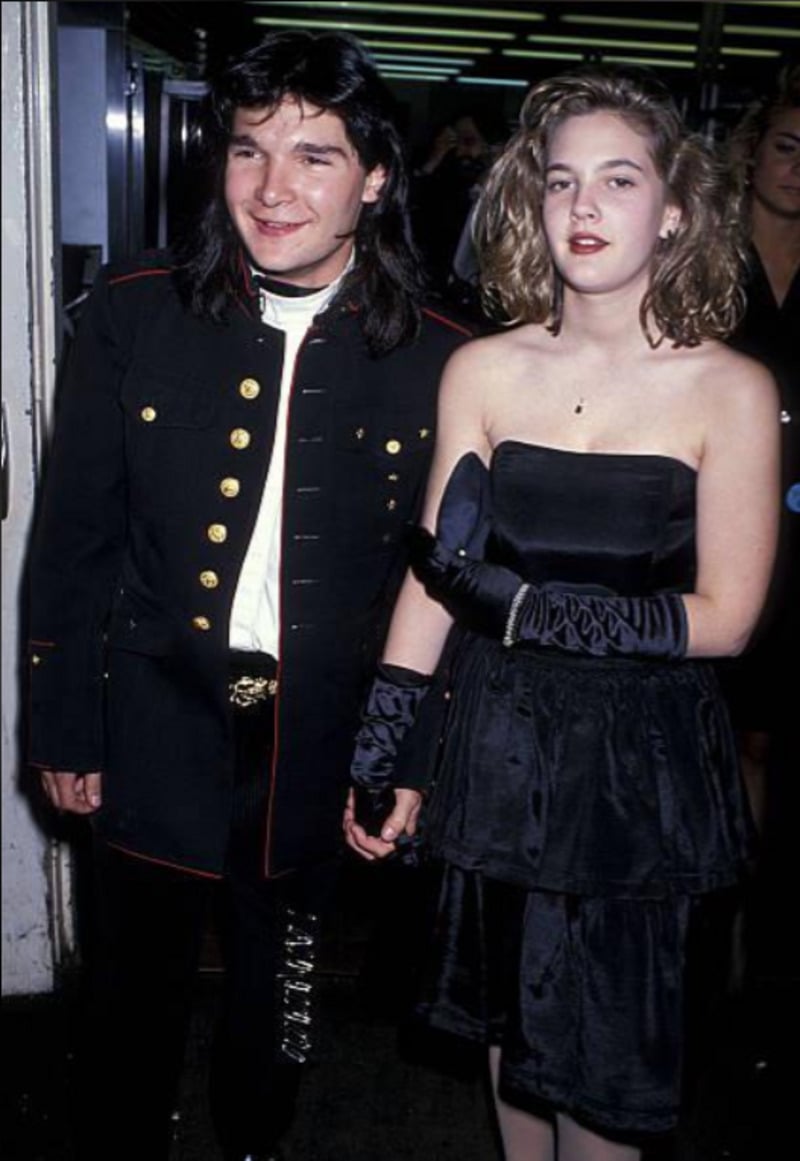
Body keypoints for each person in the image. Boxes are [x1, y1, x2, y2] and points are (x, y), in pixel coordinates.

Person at [26, 29, 469, 1161]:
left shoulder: (441, 355)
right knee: (128, 993)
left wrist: (400, 755)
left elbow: (444, 585)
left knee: (286, 997)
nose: (272, 189)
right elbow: (74, 541)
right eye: (248, 150)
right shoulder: (132, 313)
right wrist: (65, 718)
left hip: (320, 733)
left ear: (374, 180)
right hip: (154, 706)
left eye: (314, 156)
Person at [345, 67, 780, 1161]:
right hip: (497, 754)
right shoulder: (481, 368)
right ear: (531, 205)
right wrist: (387, 746)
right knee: (512, 1057)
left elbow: (725, 618)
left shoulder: (726, 388)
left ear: (673, 207)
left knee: (603, 1088)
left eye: (617, 180)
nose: (582, 208)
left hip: (638, 774)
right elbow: (440, 577)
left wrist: (532, 609)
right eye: (559, 182)